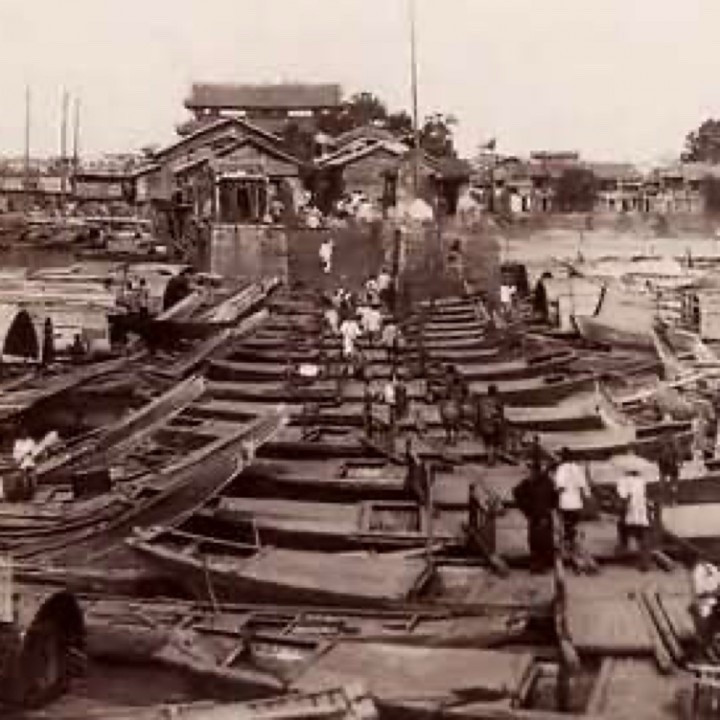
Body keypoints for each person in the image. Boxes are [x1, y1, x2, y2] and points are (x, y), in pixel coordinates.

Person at [513, 438, 558, 573]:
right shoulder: (546, 482)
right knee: (541, 540)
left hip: (537, 515)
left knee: (537, 540)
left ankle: (539, 563)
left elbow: (517, 493)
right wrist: (527, 509)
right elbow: (555, 498)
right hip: (541, 515)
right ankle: (541, 563)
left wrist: (526, 509)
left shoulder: (531, 483)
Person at [554, 447, 590, 553]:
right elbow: (583, 486)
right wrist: (585, 501)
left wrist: (554, 499)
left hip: (565, 502)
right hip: (577, 502)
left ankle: (568, 544)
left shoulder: (561, 469)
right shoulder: (578, 468)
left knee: (566, 524)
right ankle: (572, 543)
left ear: (563, 457)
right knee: (574, 524)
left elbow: (560, 487)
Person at [615, 468, 651, 571]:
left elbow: (623, 497)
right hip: (641, 509)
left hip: (630, 509)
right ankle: (645, 562)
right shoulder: (641, 480)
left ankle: (623, 547)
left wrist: (621, 507)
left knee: (623, 527)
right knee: (643, 535)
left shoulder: (622, 480)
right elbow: (644, 495)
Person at [691, 560, 720, 649]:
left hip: (712, 602)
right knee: (705, 613)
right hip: (706, 602)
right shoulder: (700, 571)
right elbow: (700, 592)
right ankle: (706, 640)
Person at [657, 430, 680, 506]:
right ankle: (672, 501)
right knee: (672, 483)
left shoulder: (661, 440)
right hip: (670, 464)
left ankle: (665, 501)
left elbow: (658, 455)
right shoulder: (674, 440)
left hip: (666, 464)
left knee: (664, 483)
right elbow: (677, 453)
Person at [485, 384, 505, 465]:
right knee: (496, 443)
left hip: (486, 424)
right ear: (495, 392)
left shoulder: (483, 401)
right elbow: (501, 413)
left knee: (489, 443)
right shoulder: (498, 401)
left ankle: (490, 459)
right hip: (495, 423)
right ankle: (494, 460)